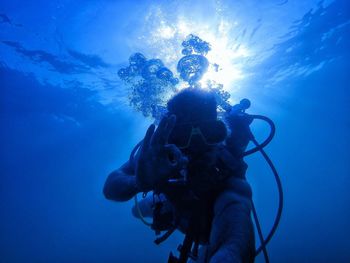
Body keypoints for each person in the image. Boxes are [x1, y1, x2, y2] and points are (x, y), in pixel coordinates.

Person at [103, 88, 255, 263]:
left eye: (210, 132)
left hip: (210, 220)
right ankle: (161, 205)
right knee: (136, 211)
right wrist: (137, 182)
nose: (198, 145)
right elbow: (110, 187)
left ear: (222, 132)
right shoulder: (156, 156)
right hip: (172, 203)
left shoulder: (230, 175)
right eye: (183, 136)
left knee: (232, 205)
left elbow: (234, 239)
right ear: (170, 136)